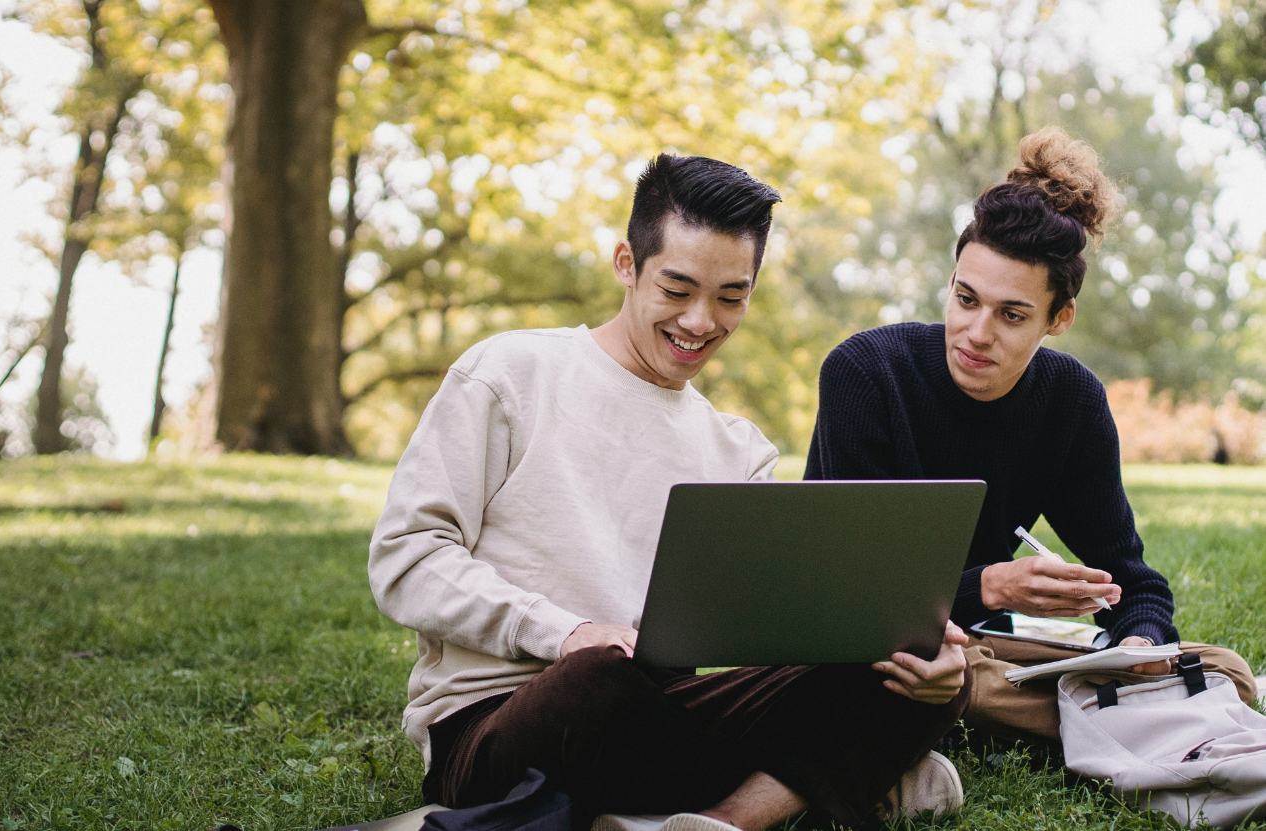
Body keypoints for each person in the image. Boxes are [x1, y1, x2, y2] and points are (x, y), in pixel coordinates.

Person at [370, 154, 972, 831]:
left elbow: (767, 640)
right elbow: (407, 559)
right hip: (510, 723)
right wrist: (565, 632)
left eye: (730, 297)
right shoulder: (508, 373)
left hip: (667, 714)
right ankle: (826, 782)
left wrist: (902, 651)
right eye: (677, 288)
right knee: (597, 681)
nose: (700, 321)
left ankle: (718, 819)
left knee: (919, 667)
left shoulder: (739, 450)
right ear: (627, 263)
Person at [803, 127, 1258, 744]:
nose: (975, 332)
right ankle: (1116, 714)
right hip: (872, 650)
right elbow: (849, 599)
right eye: (965, 299)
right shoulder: (866, 373)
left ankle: (1105, 700)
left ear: (1059, 318)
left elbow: (1134, 582)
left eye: (1011, 315)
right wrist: (992, 585)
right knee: (926, 674)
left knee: (1225, 670)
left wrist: (1139, 646)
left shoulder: (1070, 400)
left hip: (981, 654)